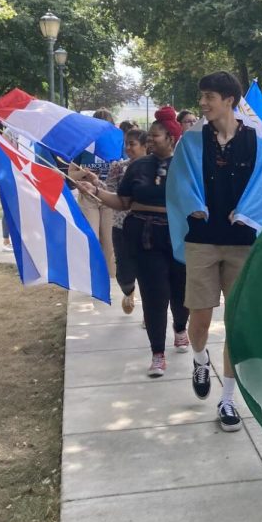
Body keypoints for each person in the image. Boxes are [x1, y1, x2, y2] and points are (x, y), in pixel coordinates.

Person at [168, 71, 262, 432]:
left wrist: (248, 211)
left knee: (237, 324)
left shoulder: (258, 143)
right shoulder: (190, 142)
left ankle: (228, 399)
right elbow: (180, 181)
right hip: (202, 239)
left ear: (230, 100)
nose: (203, 103)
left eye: (210, 97)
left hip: (243, 244)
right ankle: (200, 358)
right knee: (199, 318)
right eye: (202, 96)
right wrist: (194, 203)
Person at [83, 119, 187, 378]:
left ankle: (180, 326)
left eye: (156, 136)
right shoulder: (138, 167)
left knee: (180, 292)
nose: (150, 141)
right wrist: (95, 190)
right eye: (149, 136)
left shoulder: (188, 166)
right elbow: (122, 201)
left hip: (180, 237)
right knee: (155, 294)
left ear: (171, 138)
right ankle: (157, 354)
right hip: (144, 237)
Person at [69, 109, 120, 277]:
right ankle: (92, 276)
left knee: (109, 242)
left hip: (109, 196)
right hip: (88, 197)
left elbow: (125, 167)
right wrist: (84, 172)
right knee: (92, 237)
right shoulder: (84, 145)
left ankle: (112, 278)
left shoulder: (118, 142)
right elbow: (71, 175)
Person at [109, 127, 148, 315]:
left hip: (147, 226)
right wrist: (93, 184)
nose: (128, 148)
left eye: (132, 144)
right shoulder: (118, 167)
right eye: (126, 144)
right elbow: (110, 192)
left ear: (144, 145)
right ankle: (129, 291)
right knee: (124, 271)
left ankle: (150, 311)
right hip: (121, 226)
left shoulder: (157, 168)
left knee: (148, 271)